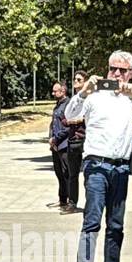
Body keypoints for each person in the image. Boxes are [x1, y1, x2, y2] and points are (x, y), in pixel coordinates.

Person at [65, 50, 132, 262]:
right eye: (113, 68)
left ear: (131, 73)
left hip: (121, 167)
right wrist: (83, 92)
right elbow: (70, 114)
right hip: (96, 166)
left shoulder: (131, 97)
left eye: (122, 70)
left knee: (116, 223)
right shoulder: (94, 95)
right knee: (92, 222)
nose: (116, 74)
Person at [62, 70, 88, 215]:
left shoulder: (90, 98)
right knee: (73, 174)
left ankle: (90, 204)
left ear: (85, 82)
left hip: (85, 140)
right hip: (73, 140)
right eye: (75, 80)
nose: (76, 82)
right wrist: (72, 120)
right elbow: (65, 118)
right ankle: (72, 203)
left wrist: (80, 119)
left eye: (79, 80)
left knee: (88, 174)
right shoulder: (73, 100)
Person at [48, 81, 76, 212]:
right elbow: (53, 124)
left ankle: (70, 201)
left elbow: (67, 127)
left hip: (64, 144)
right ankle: (62, 199)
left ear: (63, 91)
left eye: (55, 91)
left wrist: (56, 138)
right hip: (56, 145)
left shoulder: (68, 105)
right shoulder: (58, 105)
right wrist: (51, 139)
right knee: (59, 173)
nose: (53, 93)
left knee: (66, 174)